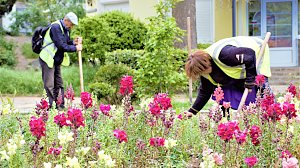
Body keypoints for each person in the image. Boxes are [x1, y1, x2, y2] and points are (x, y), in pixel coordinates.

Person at [184, 36, 271, 117]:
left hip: (257, 49)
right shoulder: (204, 71)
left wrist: (250, 80)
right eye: (200, 72)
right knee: (228, 88)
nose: (203, 73)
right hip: (240, 64)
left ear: (207, 62)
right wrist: (192, 111)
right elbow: (205, 92)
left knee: (260, 84)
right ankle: (231, 119)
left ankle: (271, 112)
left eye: (203, 70)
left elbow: (249, 54)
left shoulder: (225, 55)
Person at [39, 12, 82, 109]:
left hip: (56, 60)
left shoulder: (66, 29)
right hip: (47, 59)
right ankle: (49, 108)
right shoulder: (55, 27)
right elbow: (61, 45)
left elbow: (65, 42)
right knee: (49, 85)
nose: (72, 26)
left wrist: (73, 43)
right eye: (72, 24)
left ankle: (60, 106)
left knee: (59, 84)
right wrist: (76, 48)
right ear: (66, 20)